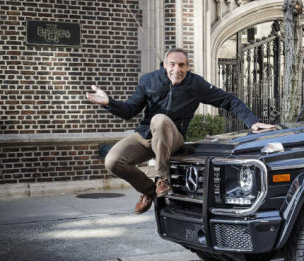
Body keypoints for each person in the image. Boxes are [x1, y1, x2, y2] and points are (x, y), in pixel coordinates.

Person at [86, 47, 277, 214]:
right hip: (146, 135)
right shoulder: (148, 81)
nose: (177, 69)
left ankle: (162, 178)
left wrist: (253, 122)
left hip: (173, 138)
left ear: (187, 67)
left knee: (160, 119)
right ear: (165, 65)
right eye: (172, 64)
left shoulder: (196, 84)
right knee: (113, 161)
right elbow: (129, 111)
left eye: (182, 65)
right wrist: (108, 102)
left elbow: (229, 100)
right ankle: (150, 191)